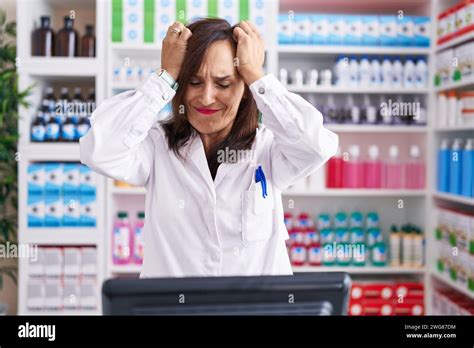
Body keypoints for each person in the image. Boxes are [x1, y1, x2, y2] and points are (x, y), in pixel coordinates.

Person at [80, 18, 338, 277]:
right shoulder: (156, 146)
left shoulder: (269, 148)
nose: (206, 97)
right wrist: (164, 76)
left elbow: (315, 146)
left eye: (223, 84)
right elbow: (99, 149)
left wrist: (257, 77)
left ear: (246, 89)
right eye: (194, 82)